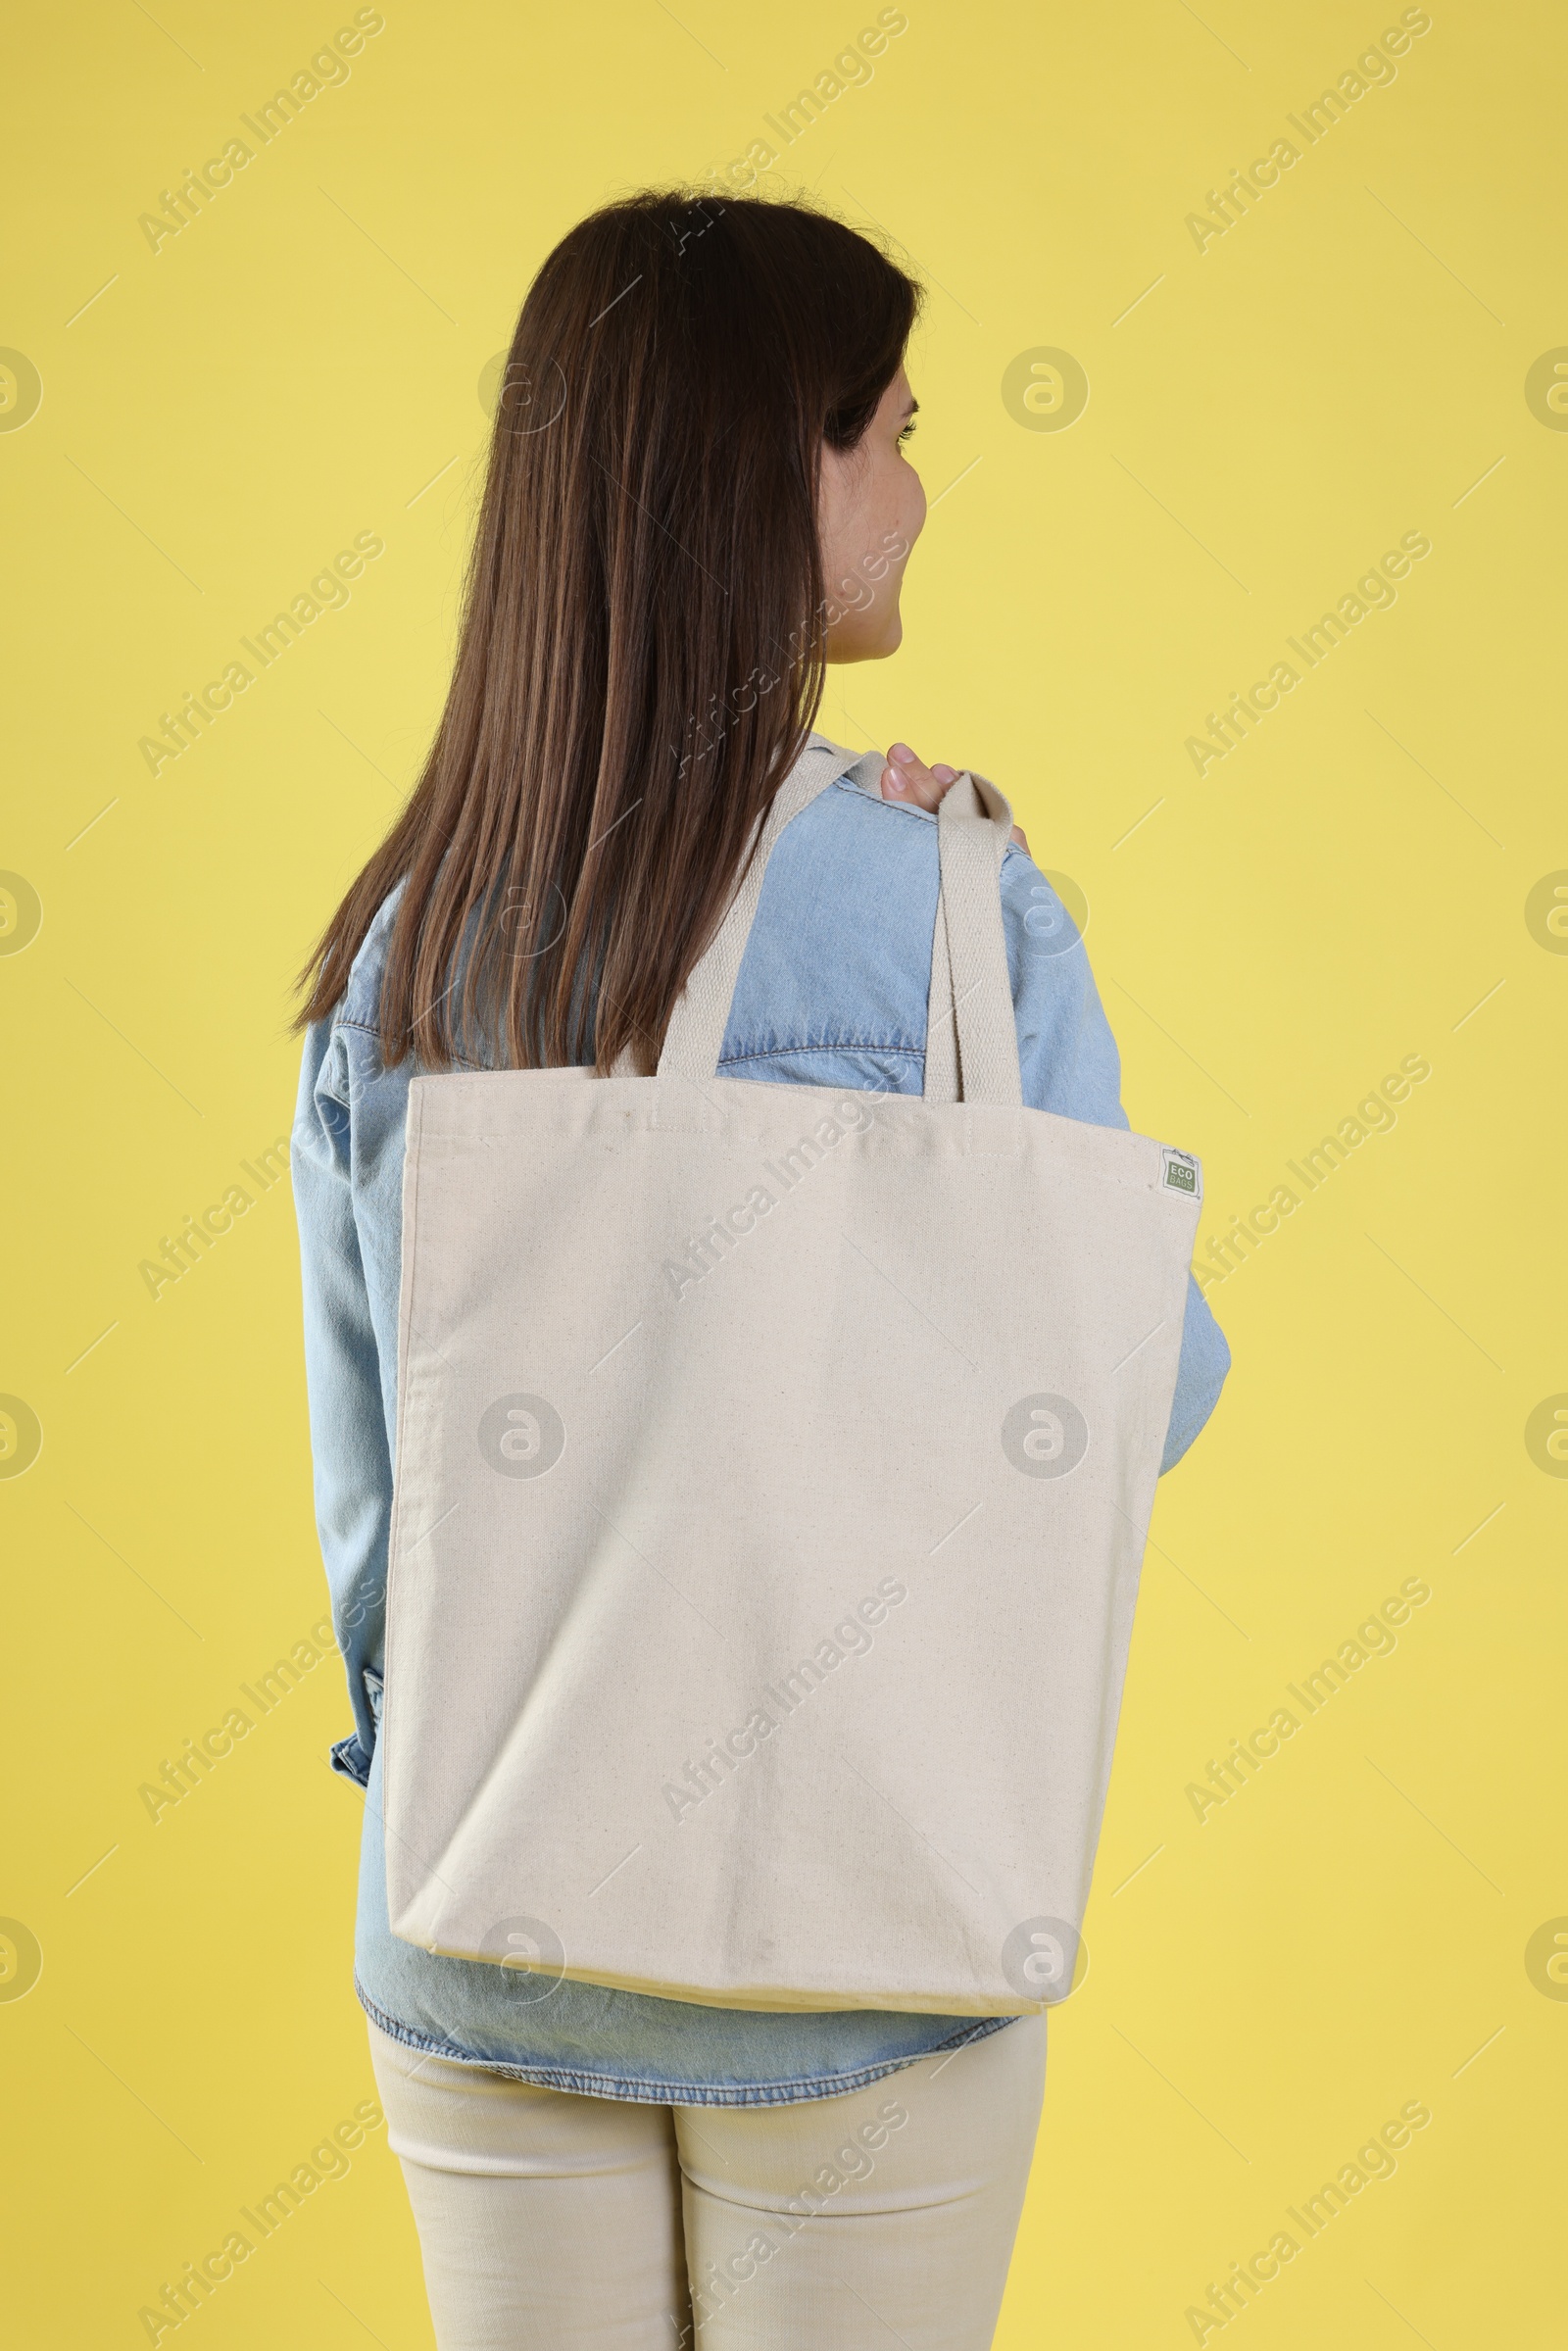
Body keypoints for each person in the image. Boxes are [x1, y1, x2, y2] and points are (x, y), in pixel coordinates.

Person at [291, 187, 1230, 2351]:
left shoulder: (405, 947)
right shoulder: (953, 911)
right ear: (765, 476)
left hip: (482, 1916)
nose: (918, 482)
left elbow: (380, 1518)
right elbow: (1134, 1390)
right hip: (867, 1930)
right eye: (886, 428)